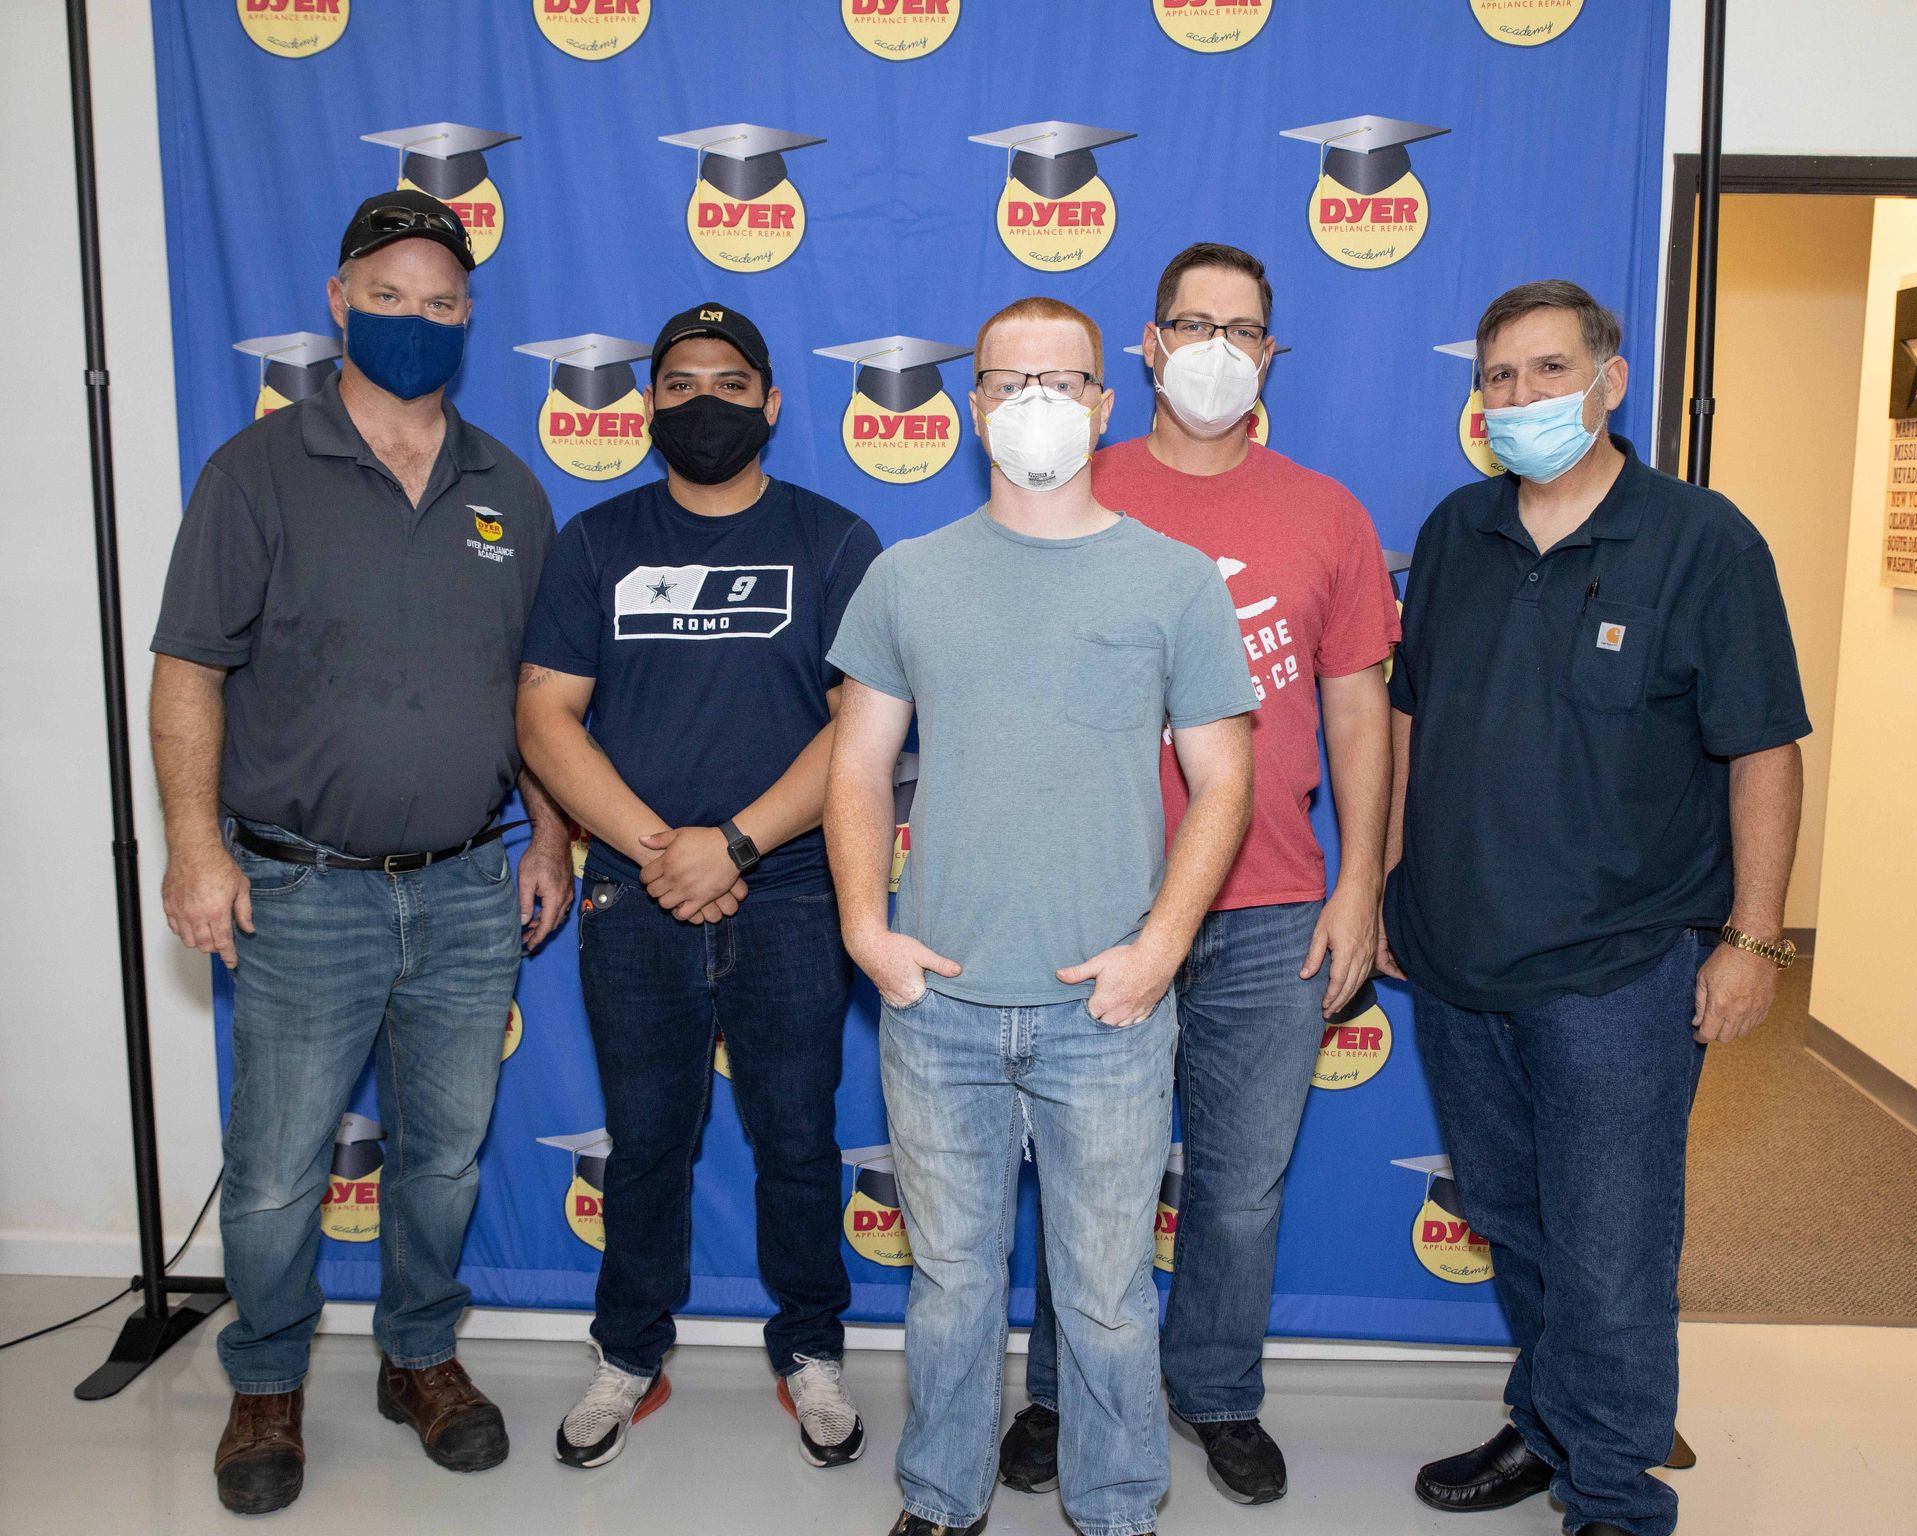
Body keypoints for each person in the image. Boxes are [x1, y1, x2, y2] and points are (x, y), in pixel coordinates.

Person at [150, 190, 572, 1517]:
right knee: (280, 1173)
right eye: (387, 297)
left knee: (443, 1158)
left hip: (467, 888)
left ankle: (419, 1356)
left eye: (439, 303)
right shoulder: (254, 473)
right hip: (298, 891)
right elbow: (187, 670)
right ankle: (267, 1378)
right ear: (339, 302)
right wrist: (193, 847)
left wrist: (551, 834)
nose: (413, 319)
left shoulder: (510, 488)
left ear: (467, 316)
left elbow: (539, 695)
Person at [825, 295, 1258, 1536]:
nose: (1034, 404)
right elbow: (858, 766)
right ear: (972, 406)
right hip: (938, 1005)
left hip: (1105, 1012)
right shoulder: (907, 577)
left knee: (1109, 1298)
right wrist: (866, 930)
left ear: (1105, 403)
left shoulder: (1175, 580)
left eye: (1060, 382)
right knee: (951, 1286)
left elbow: (1224, 782)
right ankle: (940, 1497)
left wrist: (1158, 952)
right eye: (1009, 382)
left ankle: (1116, 1508)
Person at [1381, 280, 1808, 1536]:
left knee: (1611, 1248)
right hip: (1460, 960)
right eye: (1499, 377)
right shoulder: (1455, 533)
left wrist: (1752, 937)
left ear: (1612, 381)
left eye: (1548, 370)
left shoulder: (1702, 541)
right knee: (1515, 1224)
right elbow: (1410, 719)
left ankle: (1614, 1497)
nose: (1521, 396)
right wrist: (1397, 884)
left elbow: (1764, 749)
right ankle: (1549, 1421)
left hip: (1623, 970)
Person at [1002, 242, 1400, 1508]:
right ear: (1149, 345)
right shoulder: (1077, 488)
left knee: (1239, 1188)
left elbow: (1359, 712)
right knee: (1085, 1179)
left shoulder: (1328, 514)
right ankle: (1062, 1391)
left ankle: (1218, 1390)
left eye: (1243, 328)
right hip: (1098, 902)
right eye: (1192, 323)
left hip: (1273, 906)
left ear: (1271, 353)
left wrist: (1362, 884)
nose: (1217, 349)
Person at [516, 303, 880, 1473]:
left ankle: (811, 1348)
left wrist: (732, 845)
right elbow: (545, 716)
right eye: (679, 384)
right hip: (635, 896)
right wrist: (659, 849)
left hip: (794, 892)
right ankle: (628, 1352)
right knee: (645, 1141)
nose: (705, 401)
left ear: (771, 403)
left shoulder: (835, 540)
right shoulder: (594, 542)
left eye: (730, 383)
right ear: (647, 408)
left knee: (798, 1139)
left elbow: (861, 725)